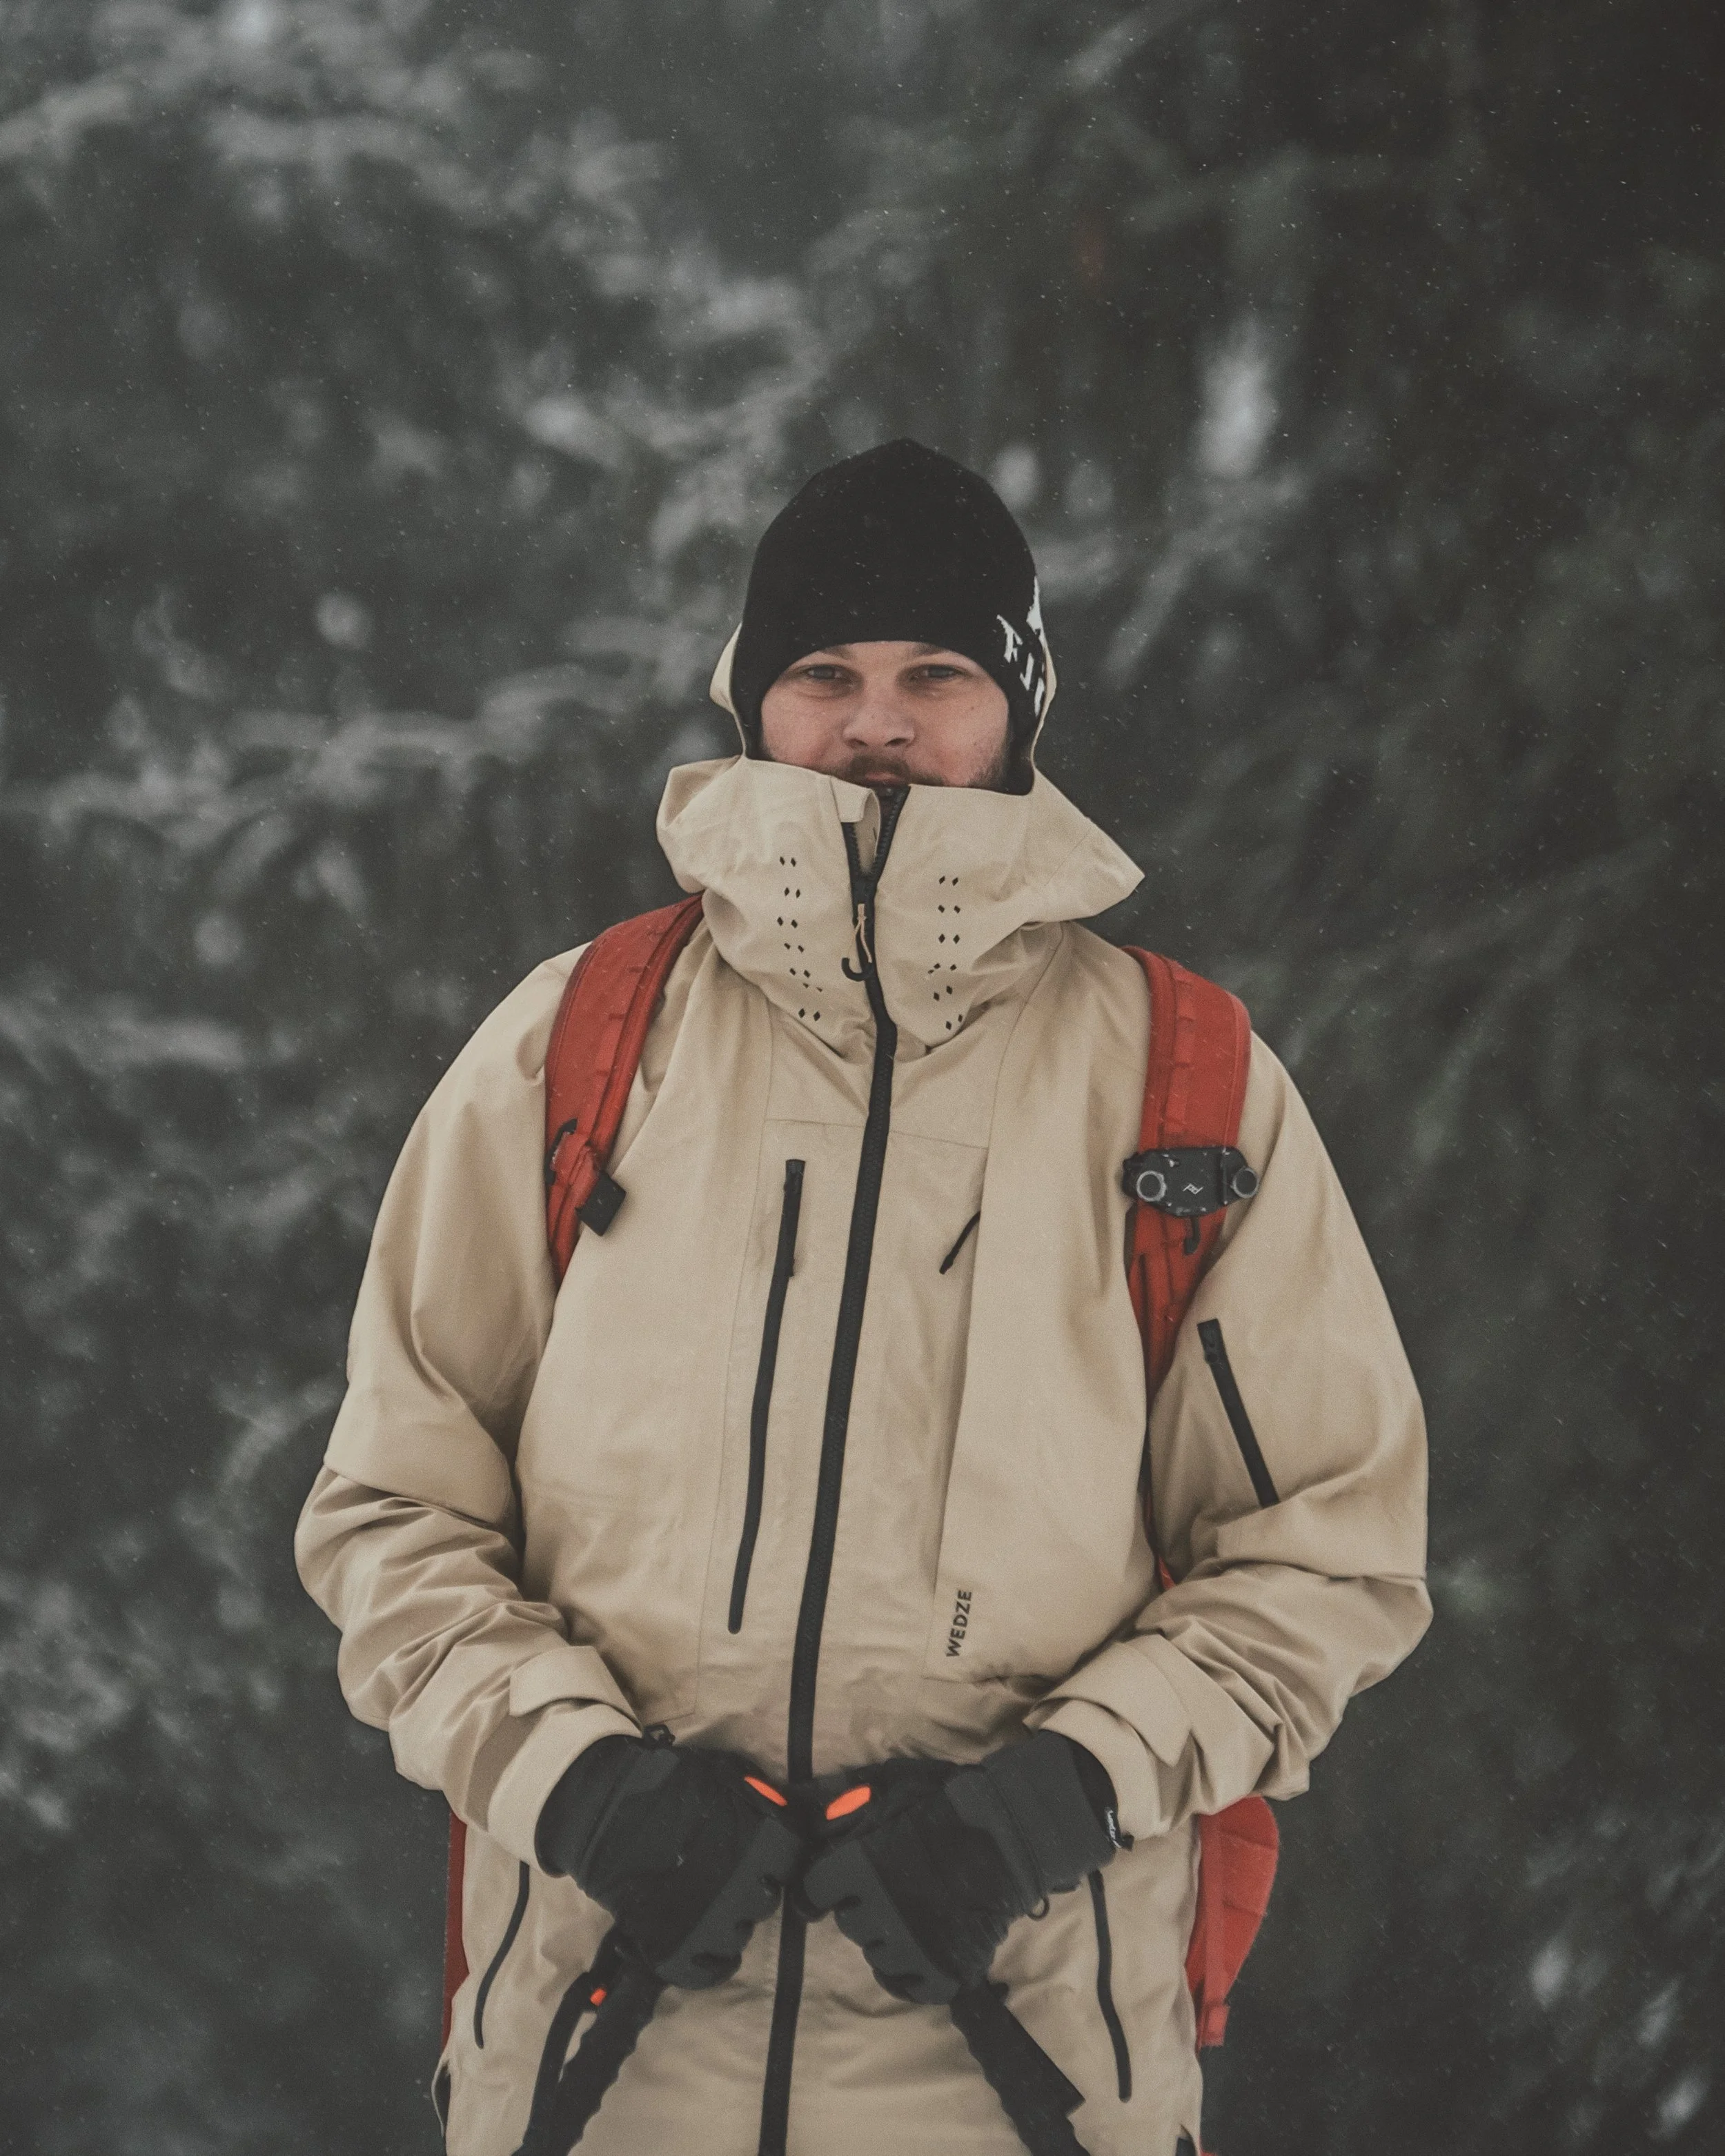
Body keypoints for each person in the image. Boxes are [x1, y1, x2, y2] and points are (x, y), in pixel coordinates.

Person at [295, 438, 1430, 2156]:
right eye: (821, 673)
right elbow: (391, 1510)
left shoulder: (1181, 1085)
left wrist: (1061, 1794)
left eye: (933, 675)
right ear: (750, 701)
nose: (874, 721)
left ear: (1015, 708)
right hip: (607, 2053)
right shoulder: (576, 1040)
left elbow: (1327, 1548)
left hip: (1021, 2057)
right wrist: (580, 1784)